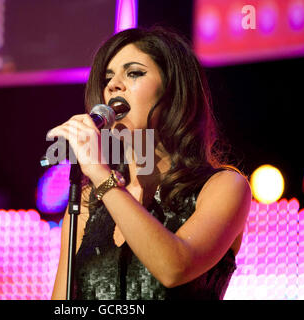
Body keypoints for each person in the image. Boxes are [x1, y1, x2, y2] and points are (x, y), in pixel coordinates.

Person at [49, 26, 252, 300]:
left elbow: (174, 267)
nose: (113, 85)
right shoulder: (89, 201)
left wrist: (100, 174)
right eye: (108, 78)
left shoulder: (225, 186)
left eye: (134, 73)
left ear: (172, 91)